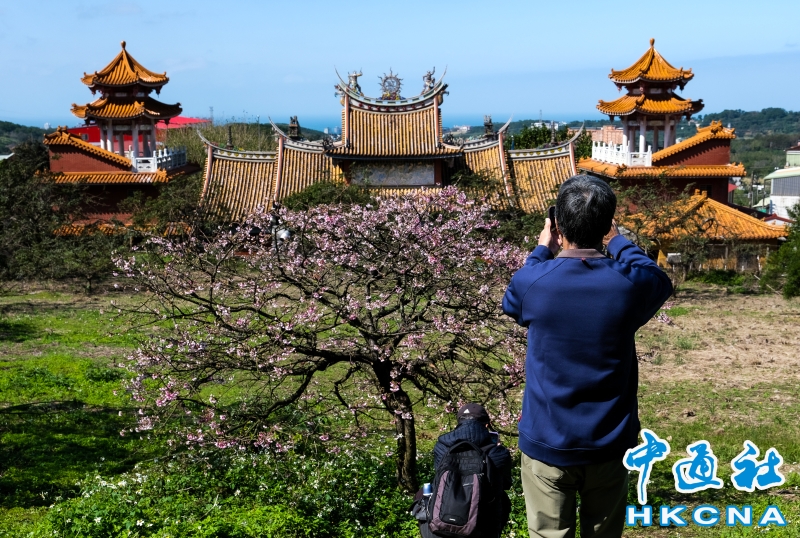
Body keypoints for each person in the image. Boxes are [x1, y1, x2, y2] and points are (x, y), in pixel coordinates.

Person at [502, 174, 673, 538]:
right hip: (609, 443)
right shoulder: (630, 284)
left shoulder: (533, 282)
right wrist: (618, 240)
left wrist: (542, 249)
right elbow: (658, 278)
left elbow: (514, 298)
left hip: (547, 442)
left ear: (558, 226)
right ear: (607, 224)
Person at [422, 403, 512, 538]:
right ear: (486, 425)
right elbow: (506, 484)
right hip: (483, 529)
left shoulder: (442, 447)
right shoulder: (498, 453)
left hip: (441, 523)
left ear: (459, 422)